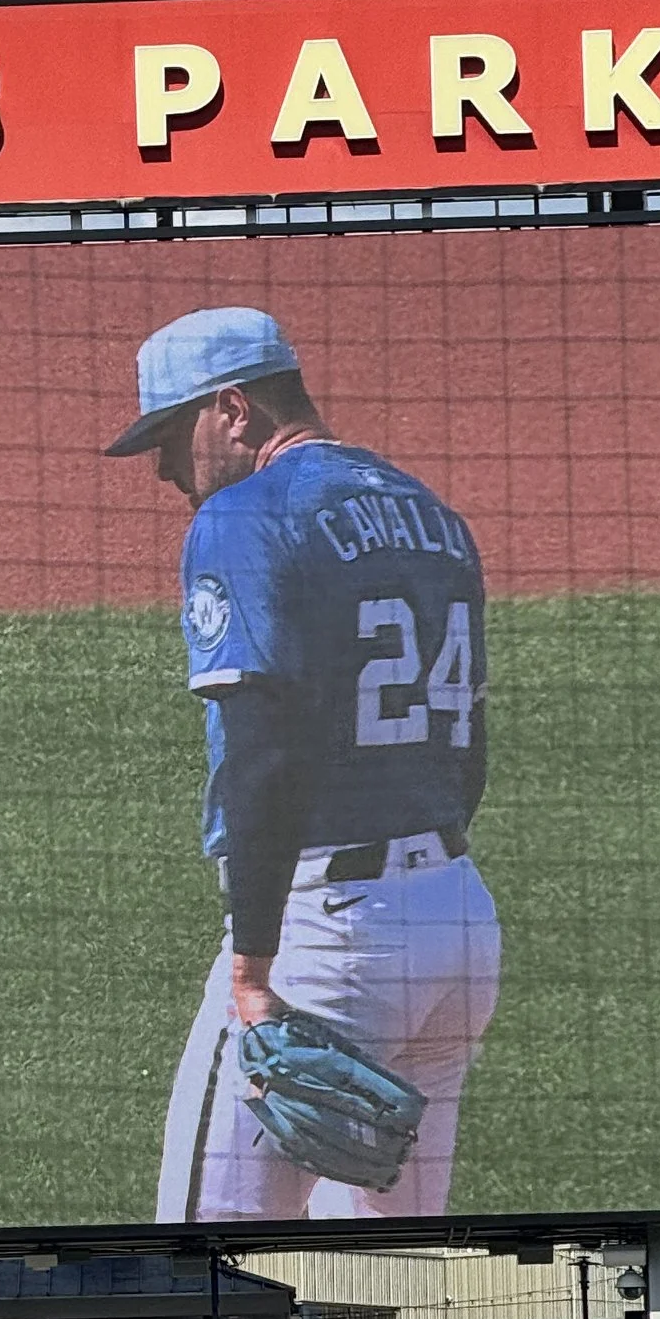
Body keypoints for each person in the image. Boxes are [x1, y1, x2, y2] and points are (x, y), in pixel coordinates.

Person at [110, 306, 499, 1222]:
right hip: (460, 922)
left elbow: (263, 747)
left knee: (204, 1250)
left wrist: (255, 965)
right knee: (389, 1262)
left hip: (330, 933)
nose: (167, 469)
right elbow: (471, 742)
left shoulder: (244, 515)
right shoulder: (429, 512)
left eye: (172, 435)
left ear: (233, 410)